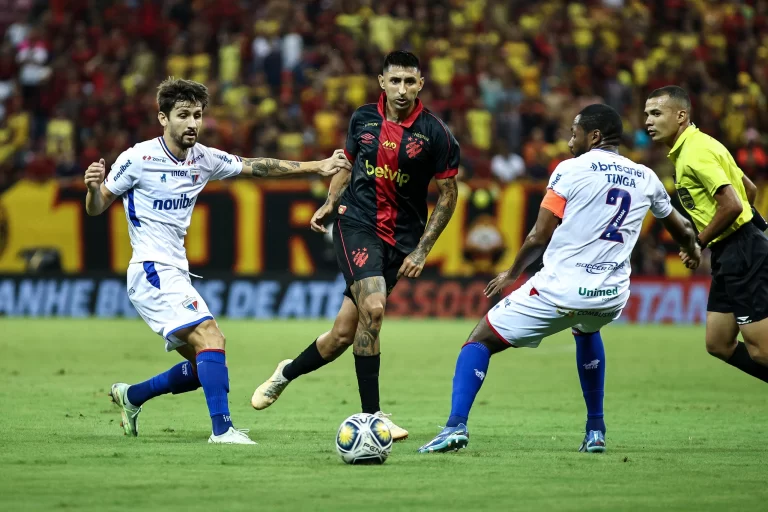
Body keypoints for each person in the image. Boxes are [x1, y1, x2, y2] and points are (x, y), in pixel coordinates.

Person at [417, 104, 699, 454]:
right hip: (610, 296)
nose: (569, 141)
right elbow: (681, 227)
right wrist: (693, 249)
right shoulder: (646, 176)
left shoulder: (570, 170)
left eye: (574, 132)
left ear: (594, 136)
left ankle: (454, 426)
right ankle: (595, 430)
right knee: (587, 329)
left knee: (479, 340)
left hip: (560, 289)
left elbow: (539, 234)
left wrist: (512, 273)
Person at [83, 78, 350, 444]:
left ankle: (132, 396)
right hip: (151, 269)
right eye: (183, 115)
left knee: (202, 369)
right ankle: (221, 430)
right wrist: (91, 189)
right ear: (163, 118)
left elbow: (258, 167)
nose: (192, 123)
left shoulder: (203, 158)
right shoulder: (137, 158)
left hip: (173, 270)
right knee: (212, 337)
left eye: (197, 115)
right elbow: (98, 207)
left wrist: (317, 166)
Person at [250, 51, 460, 441]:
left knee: (342, 337)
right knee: (374, 308)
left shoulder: (437, 135)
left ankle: (285, 373)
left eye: (409, 82)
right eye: (394, 81)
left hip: (402, 238)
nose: (401, 89)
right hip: (356, 223)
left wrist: (422, 250)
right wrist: (331, 203)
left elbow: (448, 196)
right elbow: (347, 165)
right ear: (381, 82)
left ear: (421, 85)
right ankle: (374, 417)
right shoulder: (362, 119)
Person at [645, 85, 768, 384]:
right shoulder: (704, 144)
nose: (648, 121)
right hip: (734, 248)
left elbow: (733, 204)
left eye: (656, 113)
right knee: (718, 342)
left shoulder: (694, 154)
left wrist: (697, 242)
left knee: (762, 351)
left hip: (741, 250)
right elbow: (748, 189)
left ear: (681, 115)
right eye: (647, 114)